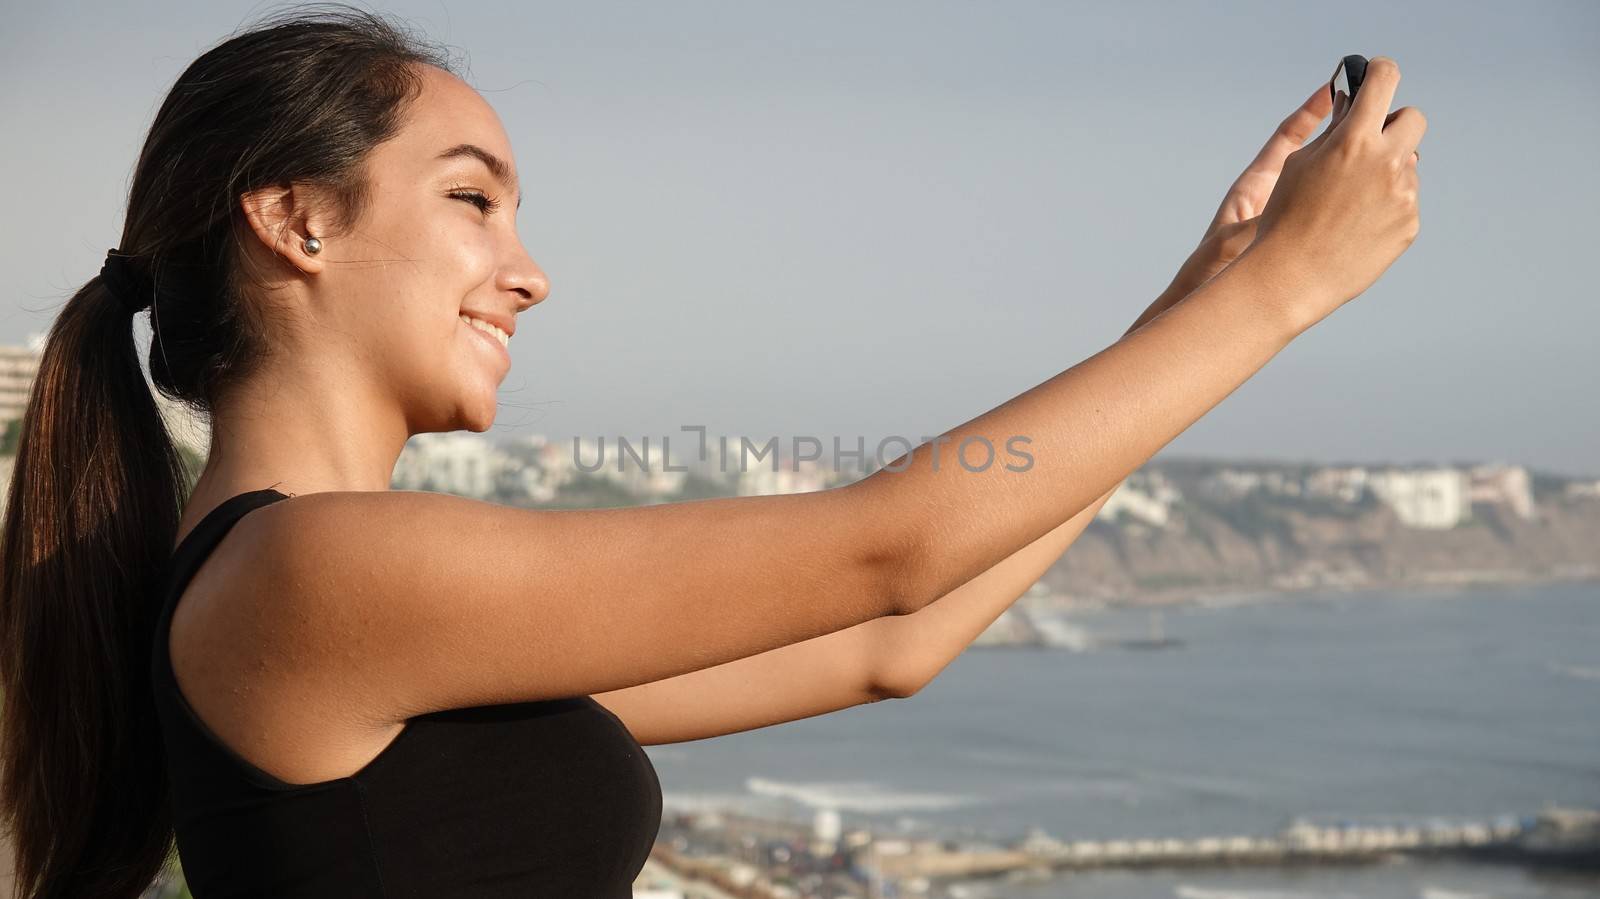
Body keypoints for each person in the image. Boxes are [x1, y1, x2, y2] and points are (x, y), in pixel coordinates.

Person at [0, 4, 1424, 897]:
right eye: (473, 198)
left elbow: (895, 641)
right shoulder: (313, 572)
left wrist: (1203, 307)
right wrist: (1281, 294)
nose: (529, 270)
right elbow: (889, 545)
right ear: (295, 219)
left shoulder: (373, 605)